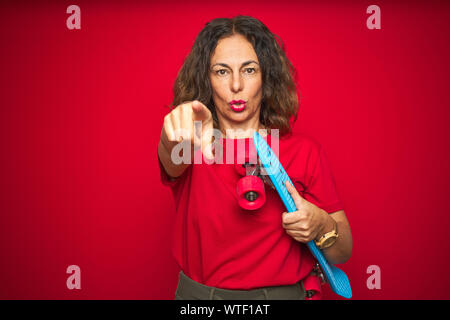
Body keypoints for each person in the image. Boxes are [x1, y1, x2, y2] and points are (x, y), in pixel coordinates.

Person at [157, 16, 352, 300]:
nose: (236, 84)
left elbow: (343, 252)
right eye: (222, 72)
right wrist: (173, 133)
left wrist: (321, 224)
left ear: (266, 77)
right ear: (207, 80)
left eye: (249, 70)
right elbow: (171, 156)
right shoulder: (193, 145)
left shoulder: (304, 151)